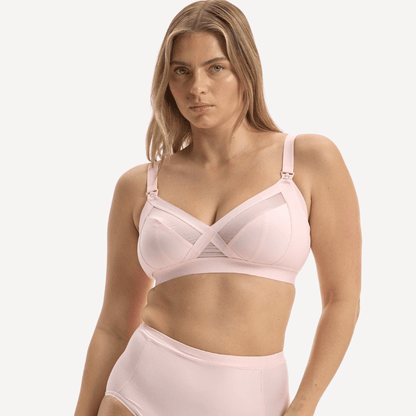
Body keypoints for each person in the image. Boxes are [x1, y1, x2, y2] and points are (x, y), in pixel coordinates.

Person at [74, 1, 361, 415]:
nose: (197, 87)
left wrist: (304, 405)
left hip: (251, 402)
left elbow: (341, 299)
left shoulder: (307, 161)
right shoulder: (139, 186)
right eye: (181, 71)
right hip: (137, 396)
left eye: (215, 68)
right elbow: (114, 325)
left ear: (245, 70)